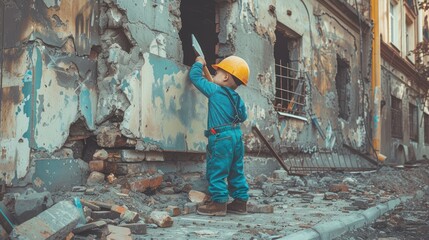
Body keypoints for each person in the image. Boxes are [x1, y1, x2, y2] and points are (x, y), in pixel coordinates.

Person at [189, 55, 250, 216]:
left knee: (217, 170)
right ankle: (240, 202)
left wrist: (199, 63)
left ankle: (219, 203)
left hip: (221, 137)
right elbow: (243, 117)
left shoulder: (215, 90)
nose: (213, 75)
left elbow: (195, 77)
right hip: (236, 136)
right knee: (236, 170)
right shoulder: (237, 98)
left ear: (225, 77)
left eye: (217, 73)